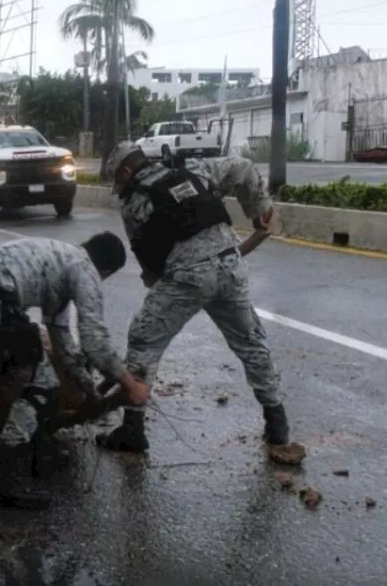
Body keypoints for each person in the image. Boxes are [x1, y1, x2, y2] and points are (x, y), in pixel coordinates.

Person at [96, 141, 288, 455]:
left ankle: (133, 428)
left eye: (118, 180)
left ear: (127, 172)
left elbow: (151, 267)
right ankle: (277, 422)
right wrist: (261, 211)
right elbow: (244, 166)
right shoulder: (195, 171)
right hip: (231, 266)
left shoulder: (134, 203)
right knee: (252, 343)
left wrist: (165, 292)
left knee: (143, 338)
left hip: (187, 279)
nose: (119, 187)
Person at [0, 233, 151, 510]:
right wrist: (130, 384)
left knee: (44, 382)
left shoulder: (62, 260)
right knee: (39, 388)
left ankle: (38, 453)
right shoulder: (85, 268)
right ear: (106, 271)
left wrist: (88, 389)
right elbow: (94, 339)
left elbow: (62, 339)